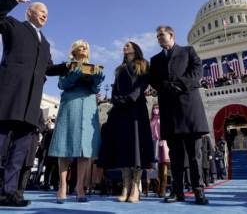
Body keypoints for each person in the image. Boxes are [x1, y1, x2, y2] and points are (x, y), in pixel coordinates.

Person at [0, 0, 67, 207]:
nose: (45, 16)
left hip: (31, 104)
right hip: (9, 98)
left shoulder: (46, 43)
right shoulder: (13, 26)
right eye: (41, 12)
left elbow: (48, 68)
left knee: (19, 151)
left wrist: (68, 67)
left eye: (47, 14)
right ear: (29, 12)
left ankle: (9, 192)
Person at [150, 25, 209, 205]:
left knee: (194, 154)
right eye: (157, 36)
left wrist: (180, 85)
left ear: (171, 35)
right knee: (175, 156)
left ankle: (198, 190)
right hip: (169, 111)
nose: (159, 38)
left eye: (162, 35)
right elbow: (153, 80)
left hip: (189, 109)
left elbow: (197, 71)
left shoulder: (188, 51)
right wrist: (165, 86)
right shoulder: (155, 59)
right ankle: (177, 191)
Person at [48, 40, 104, 203]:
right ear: (74, 51)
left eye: (86, 46)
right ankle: (62, 186)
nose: (84, 48)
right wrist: (74, 75)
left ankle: (80, 186)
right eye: (81, 46)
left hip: (88, 106)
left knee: (85, 149)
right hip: (70, 105)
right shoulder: (67, 66)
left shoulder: (94, 68)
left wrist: (97, 80)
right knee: (64, 145)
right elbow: (62, 84)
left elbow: (95, 90)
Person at [98, 41, 154, 203]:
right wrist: (117, 100)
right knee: (123, 147)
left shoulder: (143, 64)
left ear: (135, 48)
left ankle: (135, 186)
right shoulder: (119, 68)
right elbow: (115, 88)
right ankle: (125, 185)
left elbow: (142, 84)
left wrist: (131, 98)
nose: (125, 47)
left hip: (136, 109)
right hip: (121, 111)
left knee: (136, 147)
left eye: (128, 45)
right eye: (124, 46)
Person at [150, 103, 170, 197]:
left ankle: (163, 189)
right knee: (155, 167)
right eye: (154, 108)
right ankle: (156, 188)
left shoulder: (162, 118)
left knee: (163, 166)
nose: (155, 110)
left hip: (162, 142)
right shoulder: (151, 120)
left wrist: (163, 138)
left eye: (157, 108)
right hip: (154, 143)